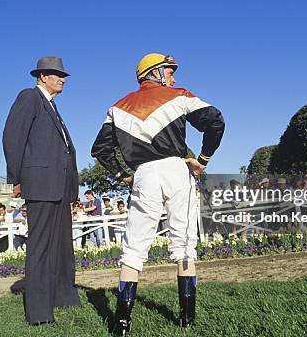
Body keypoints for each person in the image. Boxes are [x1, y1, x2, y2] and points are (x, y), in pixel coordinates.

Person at [91, 53, 224, 334]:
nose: (174, 76)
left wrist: (122, 175)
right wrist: (202, 160)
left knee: (134, 247)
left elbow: (100, 150)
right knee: (184, 244)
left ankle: (122, 323)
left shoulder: (117, 107)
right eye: (170, 70)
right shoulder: (179, 95)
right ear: (156, 73)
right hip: (177, 170)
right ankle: (186, 320)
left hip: (143, 175)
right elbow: (216, 121)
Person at [2, 56, 80, 325]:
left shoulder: (53, 108)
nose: (63, 79)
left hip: (58, 187)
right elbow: (13, 137)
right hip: (41, 185)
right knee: (41, 248)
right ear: (43, 76)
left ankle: (64, 297)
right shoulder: (29, 97)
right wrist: (16, 178)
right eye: (57, 74)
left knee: (61, 247)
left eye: (63, 75)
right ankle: (38, 313)